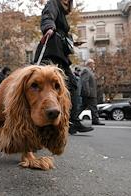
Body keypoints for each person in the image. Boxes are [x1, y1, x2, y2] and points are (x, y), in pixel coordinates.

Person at [34, 0, 93, 134]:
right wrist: (48, 27)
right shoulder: (53, 3)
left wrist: (73, 42)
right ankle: (39, 121)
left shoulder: (62, 12)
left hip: (60, 54)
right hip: (51, 52)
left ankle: (71, 122)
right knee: (42, 86)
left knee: (71, 86)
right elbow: (48, 16)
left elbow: (63, 33)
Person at [78, 59, 104, 125]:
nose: (94, 65)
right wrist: (87, 92)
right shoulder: (86, 70)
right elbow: (85, 81)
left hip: (90, 93)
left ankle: (73, 118)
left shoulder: (90, 71)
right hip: (89, 93)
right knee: (93, 106)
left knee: (83, 106)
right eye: (93, 63)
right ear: (89, 64)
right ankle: (95, 120)